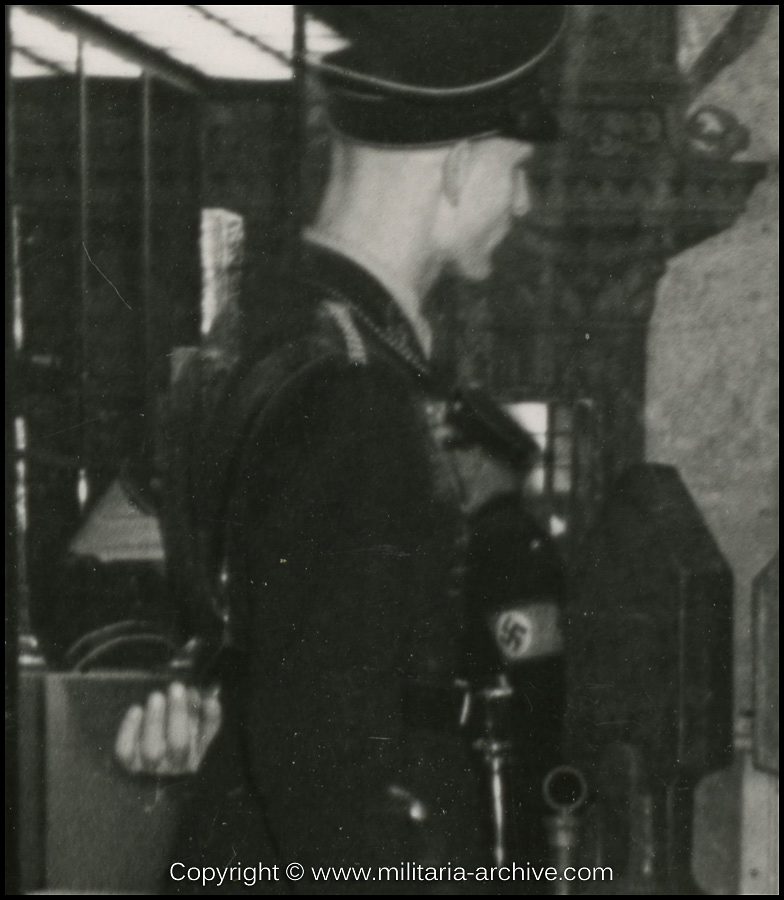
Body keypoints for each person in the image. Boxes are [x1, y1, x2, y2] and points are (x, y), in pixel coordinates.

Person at [117, 7, 568, 893]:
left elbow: (105, 555)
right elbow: (330, 769)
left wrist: (182, 686)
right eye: (518, 172)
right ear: (458, 164)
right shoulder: (358, 398)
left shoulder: (254, 339)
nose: (523, 203)